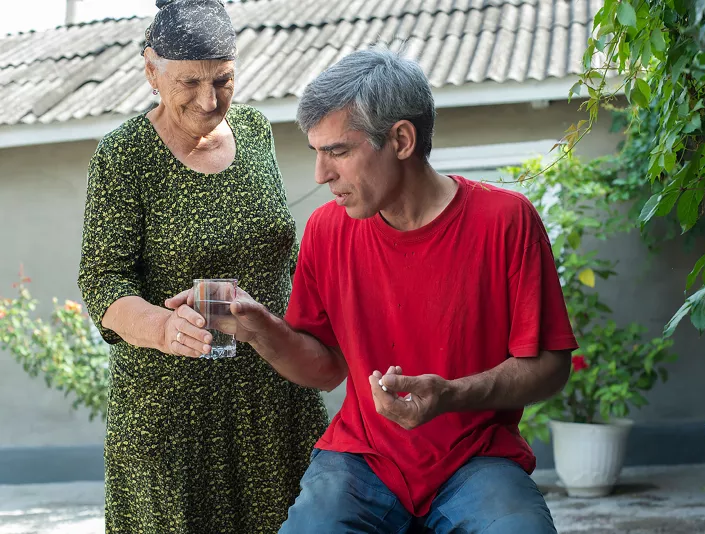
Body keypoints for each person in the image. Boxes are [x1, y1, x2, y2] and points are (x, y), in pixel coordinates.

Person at [173, 45, 577, 532]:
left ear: (401, 139)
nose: (321, 174)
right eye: (317, 153)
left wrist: (449, 395)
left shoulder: (506, 220)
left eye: (338, 151)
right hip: (360, 460)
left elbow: (551, 368)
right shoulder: (327, 230)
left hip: (477, 459)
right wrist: (260, 330)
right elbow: (324, 371)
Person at [77, 1, 328, 532]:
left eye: (223, 80)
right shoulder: (125, 156)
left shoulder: (256, 131)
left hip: (274, 401)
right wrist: (162, 326)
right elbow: (103, 281)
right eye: (190, 82)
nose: (209, 99)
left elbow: (284, 249)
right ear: (152, 70)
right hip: (174, 421)